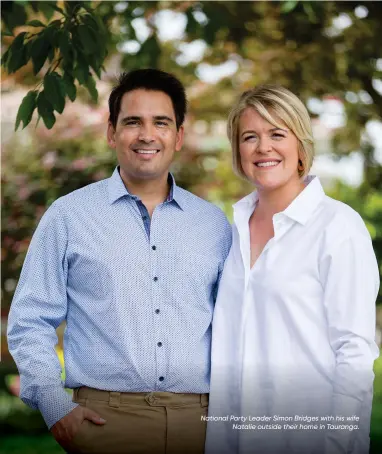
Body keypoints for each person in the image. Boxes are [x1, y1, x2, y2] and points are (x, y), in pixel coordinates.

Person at [7, 68, 232, 454]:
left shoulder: (215, 225)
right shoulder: (69, 216)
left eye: (161, 122)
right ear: (112, 132)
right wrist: (54, 405)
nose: (147, 135)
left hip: (201, 425)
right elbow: (30, 320)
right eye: (133, 122)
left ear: (178, 135)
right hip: (104, 423)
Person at [205, 85, 379, 454]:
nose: (263, 147)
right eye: (249, 136)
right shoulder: (229, 232)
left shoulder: (337, 226)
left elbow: (354, 350)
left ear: (300, 146)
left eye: (277, 134)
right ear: (238, 150)